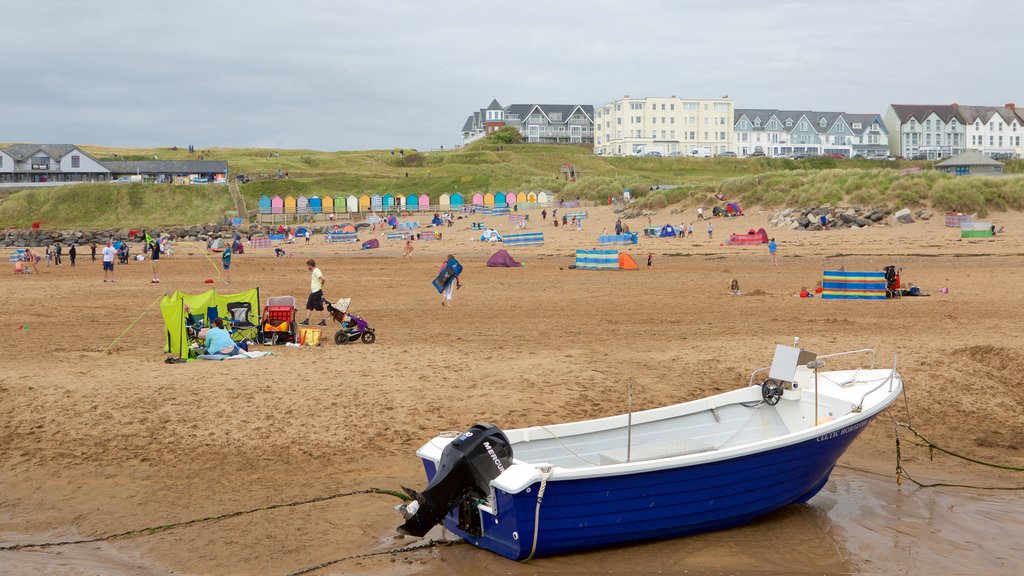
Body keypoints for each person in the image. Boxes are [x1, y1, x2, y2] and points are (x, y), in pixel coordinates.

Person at [301, 259, 327, 326]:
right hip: (314, 292)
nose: (307, 267)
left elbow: (323, 279)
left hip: (316, 292)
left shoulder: (316, 271)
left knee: (319, 307)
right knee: (309, 306)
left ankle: (323, 321)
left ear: (310, 265)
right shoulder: (315, 271)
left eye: (308, 266)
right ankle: (306, 320)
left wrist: (321, 285)